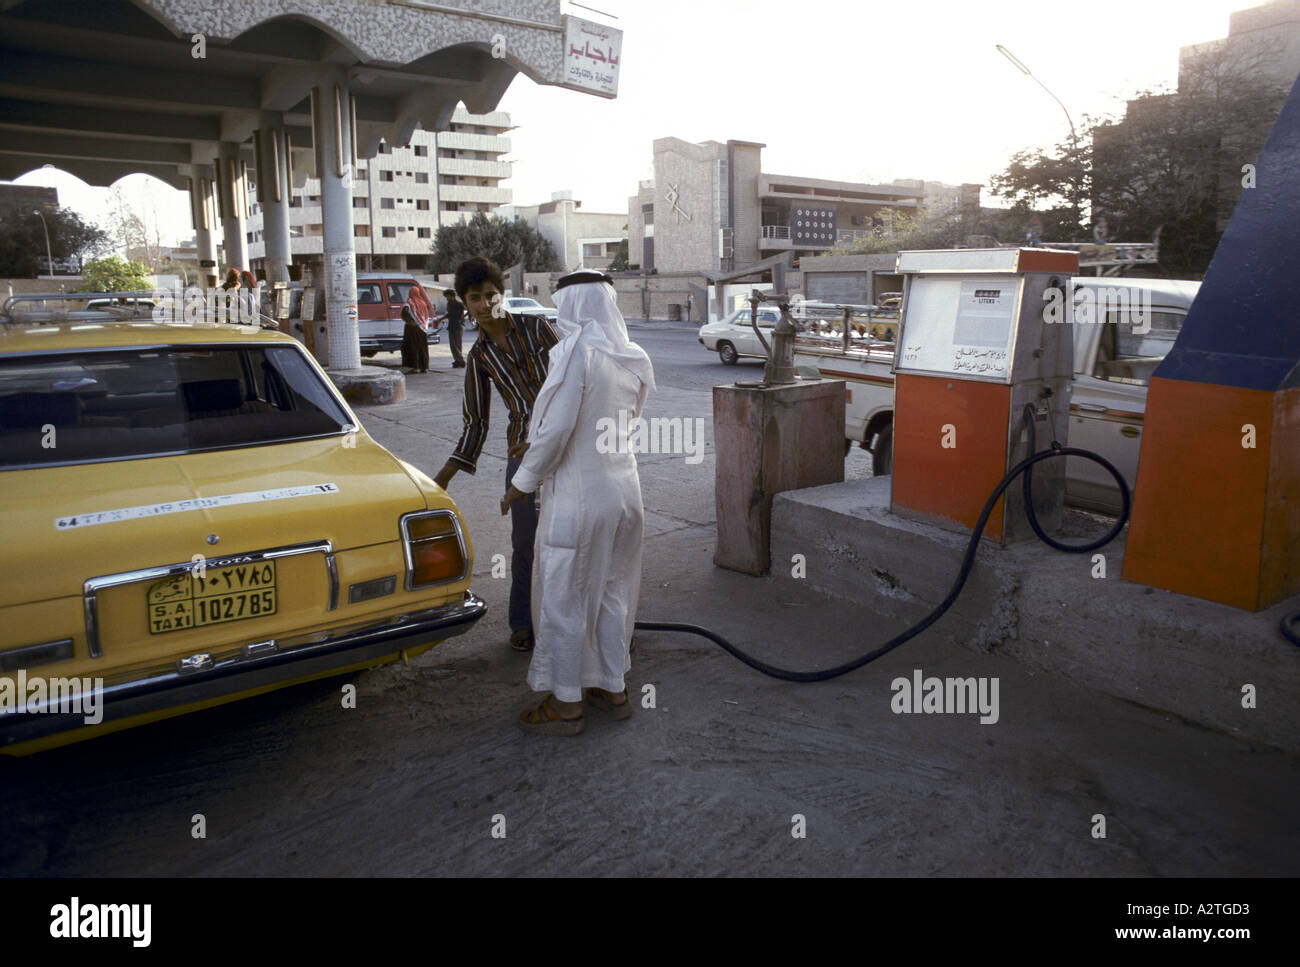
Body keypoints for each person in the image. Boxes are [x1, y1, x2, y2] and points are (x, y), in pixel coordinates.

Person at [501, 270, 655, 735]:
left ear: (572, 304)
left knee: (564, 599)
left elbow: (561, 428)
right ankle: (613, 686)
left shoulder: (576, 352)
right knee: (611, 592)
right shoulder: (632, 356)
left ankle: (566, 704)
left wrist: (521, 484)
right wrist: (540, 444)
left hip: (581, 500)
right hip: (625, 494)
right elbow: (612, 423)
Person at [433, 257, 558, 653]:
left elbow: (579, 378)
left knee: (572, 537)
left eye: (492, 295)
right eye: (476, 298)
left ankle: (573, 619)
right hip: (522, 451)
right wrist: (443, 477)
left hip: (567, 444)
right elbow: (476, 423)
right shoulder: (480, 358)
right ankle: (523, 621)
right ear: (465, 305)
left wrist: (553, 434)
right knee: (525, 542)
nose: (486, 304)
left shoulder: (539, 328)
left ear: (502, 295)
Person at [400, 303, 429, 372]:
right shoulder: (422, 303)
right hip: (423, 328)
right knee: (423, 347)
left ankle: (416, 367)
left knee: (414, 347)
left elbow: (405, 315)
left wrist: (410, 322)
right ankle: (425, 367)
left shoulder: (408, 305)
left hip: (413, 329)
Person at [443, 288, 466, 368]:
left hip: (458, 326)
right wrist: (440, 319)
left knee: (457, 344)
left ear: (452, 296)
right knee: (452, 345)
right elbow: (449, 314)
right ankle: (457, 360)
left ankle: (461, 360)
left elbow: (466, 311)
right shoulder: (449, 304)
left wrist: (462, 318)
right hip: (451, 326)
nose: (447, 298)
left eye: (448, 296)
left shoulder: (459, 304)